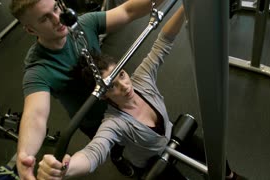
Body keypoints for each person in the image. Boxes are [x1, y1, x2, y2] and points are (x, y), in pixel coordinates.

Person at [36, 6, 247, 180]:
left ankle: (229, 177)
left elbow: (163, 41)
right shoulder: (113, 123)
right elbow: (94, 153)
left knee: (217, 156)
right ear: (102, 95)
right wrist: (65, 168)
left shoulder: (141, 79)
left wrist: (187, 5)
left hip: (170, 133)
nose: (125, 86)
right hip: (150, 158)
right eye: (112, 86)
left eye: (121, 75)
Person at [9, 0, 163, 179]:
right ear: (30, 30)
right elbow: (35, 116)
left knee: (146, 135)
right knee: (114, 148)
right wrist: (25, 156)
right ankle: (119, 158)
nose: (58, 19)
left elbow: (128, 11)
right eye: (45, 19)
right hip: (95, 121)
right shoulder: (38, 69)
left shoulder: (83, 24)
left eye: (56, 9)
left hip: (121, 100)